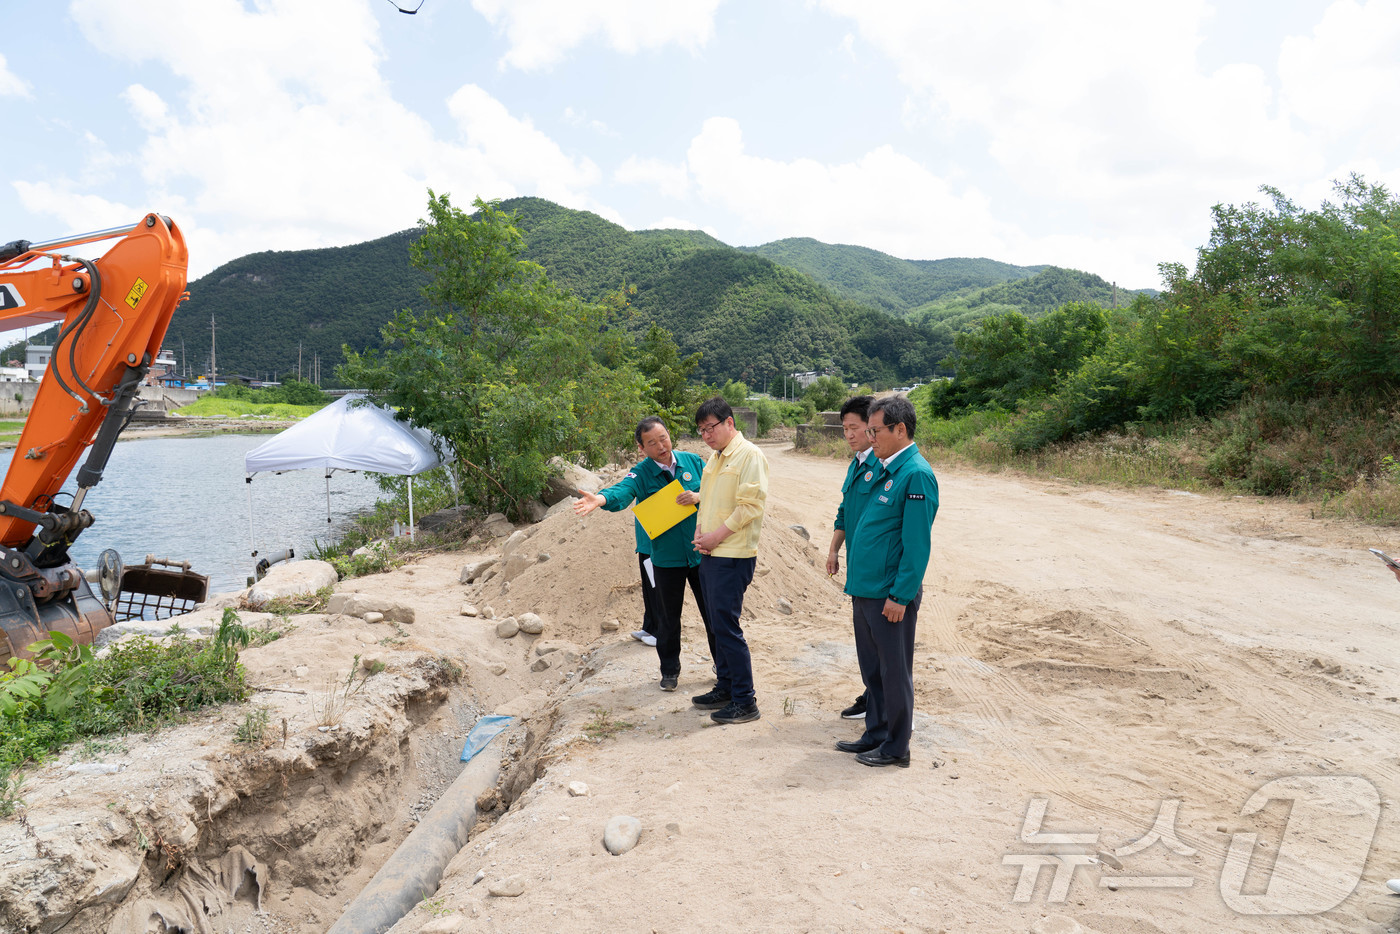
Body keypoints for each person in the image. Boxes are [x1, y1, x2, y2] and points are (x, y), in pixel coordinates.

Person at [574, 417, 713, 690]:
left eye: (663, 438)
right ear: (641, 448)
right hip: (665, 558)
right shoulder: (640, 473)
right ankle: (670, 672)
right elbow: (622, 492)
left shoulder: (694, 461)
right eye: (652, 443)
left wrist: (698, 496)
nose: (661, 446)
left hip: (701, 552)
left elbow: (716, 490)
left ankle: (723, 665)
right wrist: (600, 499)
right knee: (668, 619)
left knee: (712, 614)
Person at [838, 395, 938, 768]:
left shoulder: (915, 474)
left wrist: (900, 595)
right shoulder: (882, 467)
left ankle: (897, 747)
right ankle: (876, 732)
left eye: (874, 430)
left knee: (895, 673)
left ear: (900, 429)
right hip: (866, 589)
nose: (869, 437)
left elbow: (916, 547)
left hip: (889, 596)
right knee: (874, 670)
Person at [691, 397, 769, 724]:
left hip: (733, 555)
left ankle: (745, 700)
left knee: (727, 627)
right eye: (701, 430)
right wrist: (701, 534)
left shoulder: (749, 455)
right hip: (711, 553)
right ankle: (725, 685)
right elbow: (706, 500)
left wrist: (716, 537)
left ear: (729, 423)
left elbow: (750, 507)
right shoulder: (714, 459)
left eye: (710, 427)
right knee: (716, 625)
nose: (706, 435)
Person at [826, 395, 876, 721]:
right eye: (844, 429)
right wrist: (833, 549)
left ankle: (888, 708)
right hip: (858, 568)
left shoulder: (884, 466)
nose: (849, 434)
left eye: (853, 427)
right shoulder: (856, 463)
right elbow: (845, 511)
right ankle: (873, 695)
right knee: (867, 644)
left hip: (877, 570)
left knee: (883, 646)